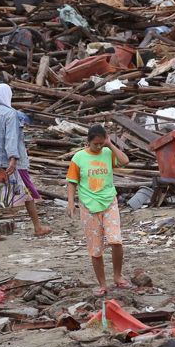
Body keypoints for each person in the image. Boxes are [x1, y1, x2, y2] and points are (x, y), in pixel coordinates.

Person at [0, 83, 51, 243]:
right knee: (27, 193)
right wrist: (13, 158)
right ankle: (38, 227)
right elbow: (11, 138)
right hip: (12, 163)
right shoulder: (11, 114)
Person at [65, 124, 129, 294]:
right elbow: (72, 182)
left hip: (109, 202)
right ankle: (102, 284)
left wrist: (110, 145)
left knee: (115, 240)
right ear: (88, 142)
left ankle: (117, 276)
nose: (99, 147)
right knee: (95, 249)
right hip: (88, 206)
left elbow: (125, 161)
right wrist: (71, 203)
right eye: (96, 144)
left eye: (102, 143)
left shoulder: (108, 153)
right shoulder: (78, 158)